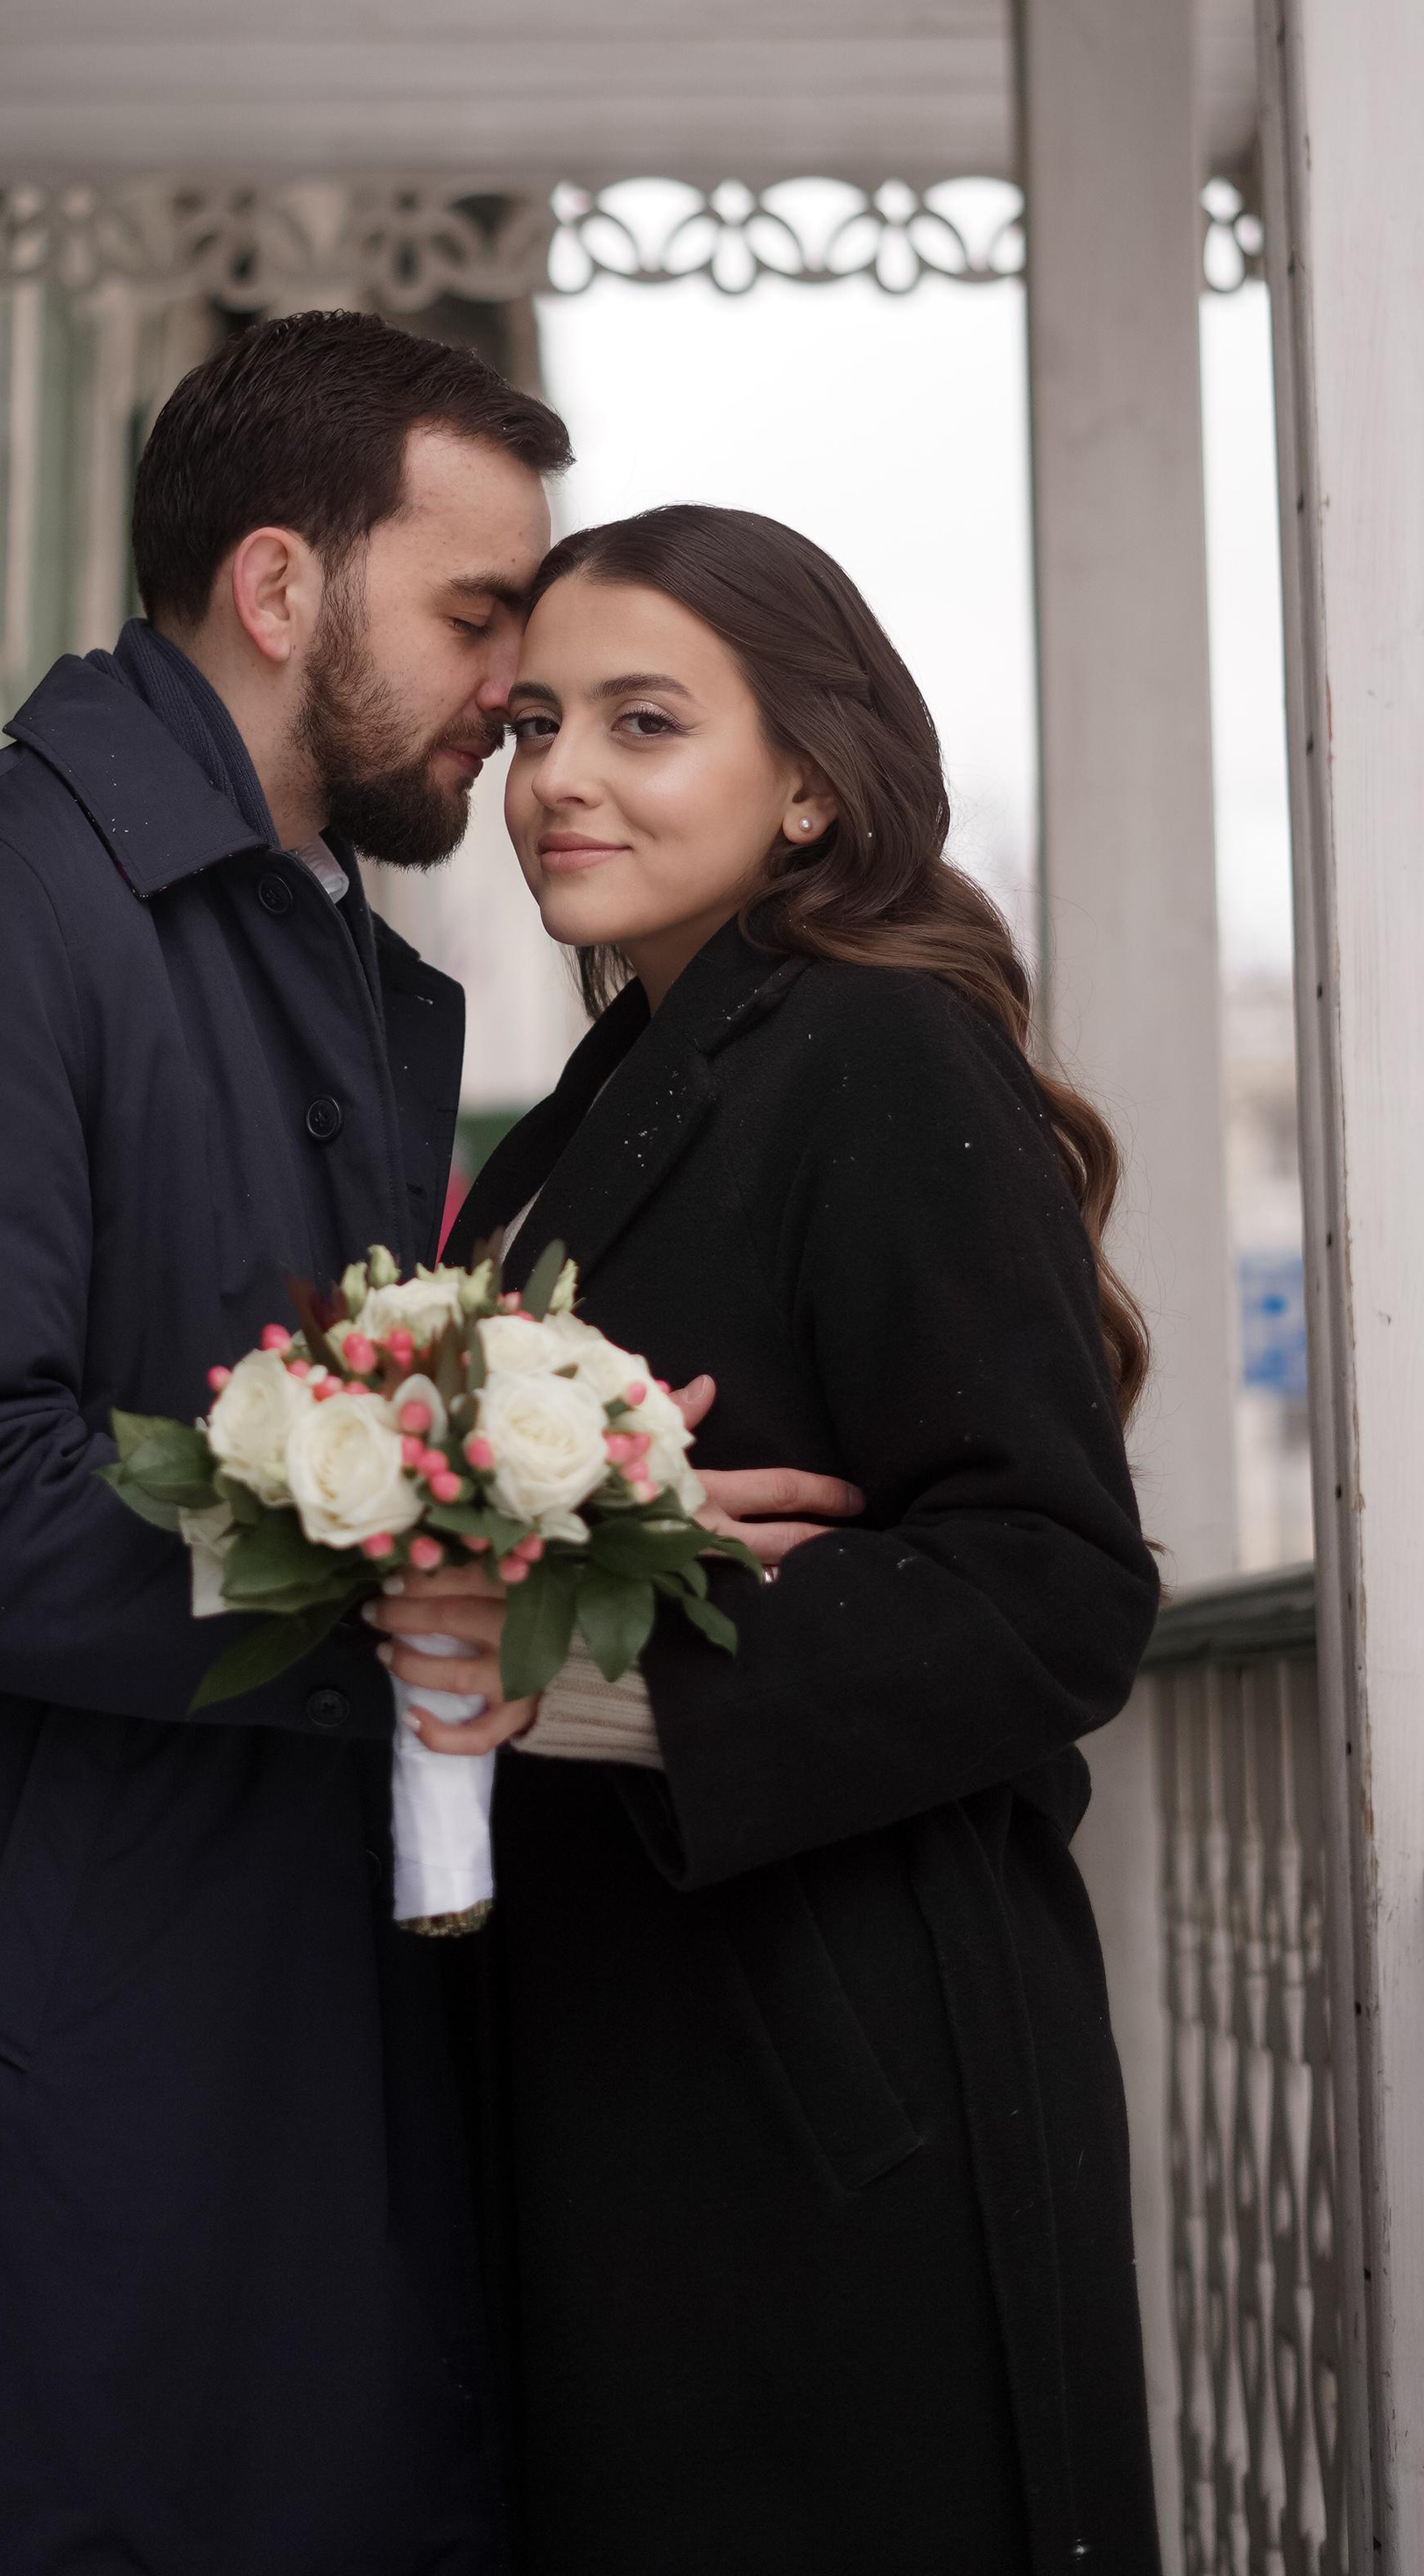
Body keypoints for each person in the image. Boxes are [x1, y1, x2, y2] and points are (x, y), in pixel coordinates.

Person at [0, 313, 573, 2575]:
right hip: (14, 2112)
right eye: (476, 615)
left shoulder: (292, 947)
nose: (517, 685)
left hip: (246, 2065)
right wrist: (398, 1602)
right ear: (280, 591)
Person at [373, 504, 1162, 2576]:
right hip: (625, 2054)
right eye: (535, 721)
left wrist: (588, 1669)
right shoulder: (601, 1098)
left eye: (645, 722)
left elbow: (1054, 1581)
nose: (560, 776)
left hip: (837, 2081)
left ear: (809, 781)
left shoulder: (880, 1045)